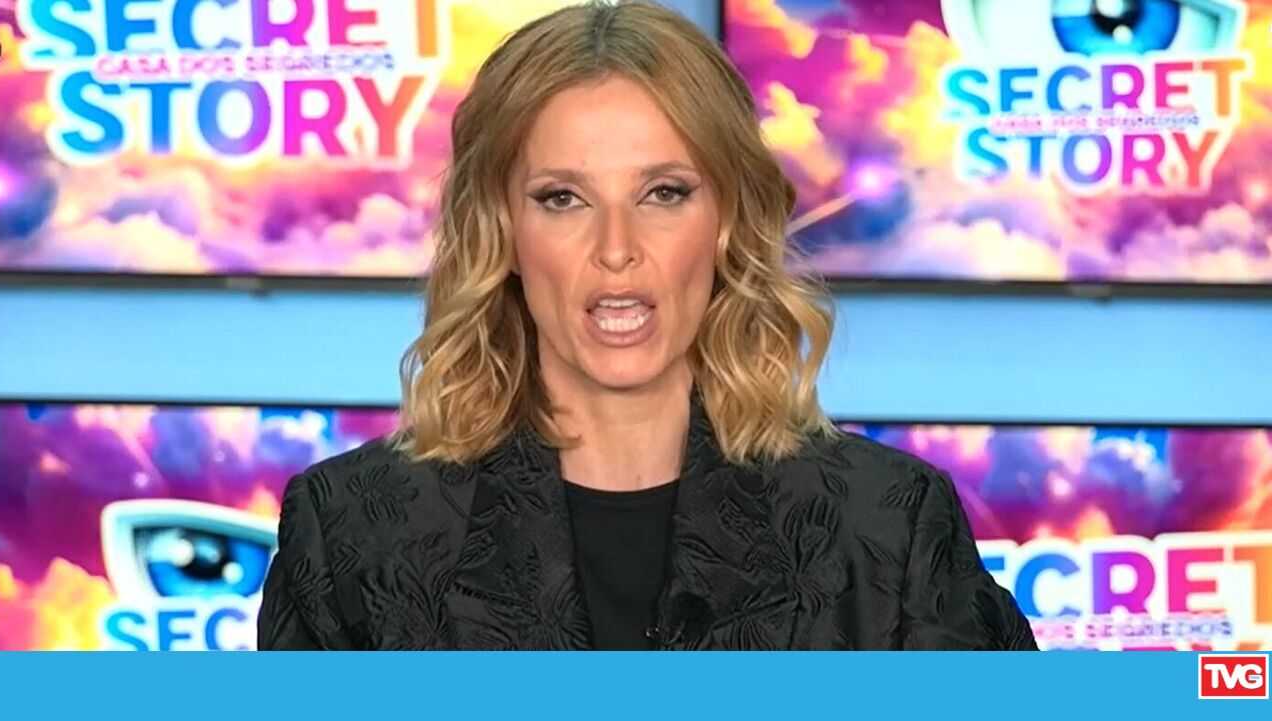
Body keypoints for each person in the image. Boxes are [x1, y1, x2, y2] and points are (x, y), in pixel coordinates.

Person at [256, 0, 1036, 651]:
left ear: (727, 220)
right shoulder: (351, 536)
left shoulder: (890, 529)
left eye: (664, 192)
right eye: (563, 198)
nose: (616, 248)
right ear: (503, 231)